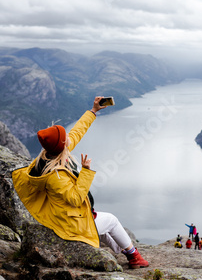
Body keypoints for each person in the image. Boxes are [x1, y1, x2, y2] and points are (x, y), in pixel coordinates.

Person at [12, 97, 149, 269]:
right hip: (69, 224)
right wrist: (85, 171)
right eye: (65, 138)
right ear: (62, 146)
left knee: (103, 223)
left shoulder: (50, 155)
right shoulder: (55, 176)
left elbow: (76, 133)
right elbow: (76, 199)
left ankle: (122, 251)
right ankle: (134, 257)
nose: (69, 138)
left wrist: (92, 111)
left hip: (65, 215)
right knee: (112, 221)